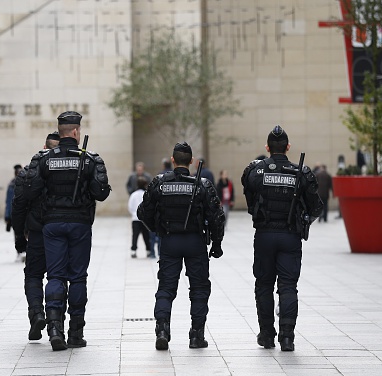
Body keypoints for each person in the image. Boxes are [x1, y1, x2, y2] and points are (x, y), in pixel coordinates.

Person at [17, 111, 110, 351]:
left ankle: (55, 328)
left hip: (52, 224)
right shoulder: (90, 159)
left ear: (60, 132)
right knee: (78, 277)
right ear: (77, 132)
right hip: (80, 224)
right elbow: (101, 192)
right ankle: (76, 333)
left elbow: (30, 191)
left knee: (56, 276)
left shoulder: (44, 159)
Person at [241, 125, 323, 352]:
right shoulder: (302, 173)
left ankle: (267, 335)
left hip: (265, 235)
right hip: (290, 236)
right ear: (288, 147)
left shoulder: (255, 171)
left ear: (267, 148)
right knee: (288, 287)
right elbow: (317, 207)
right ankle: (287, 337)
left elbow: (249, 199)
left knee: (264, 286)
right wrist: (303, 220)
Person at [138, 142, 225, 350]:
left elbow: (143, 212)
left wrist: (157, 230)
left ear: (173, 160)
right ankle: (196, 335)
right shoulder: (202, 184)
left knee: (166, 288)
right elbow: (217, 217)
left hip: (170, 241)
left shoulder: (159, 182)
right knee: (199, 289)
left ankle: (162, 330)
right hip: (195, 242)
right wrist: (217, 242)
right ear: (192, 162)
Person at [11, 132, 60, 341]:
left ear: (44, 146)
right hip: (58, 232)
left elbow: (18, 207)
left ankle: (36, 313)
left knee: (33, 275)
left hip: (37, 233)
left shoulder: (28, 172)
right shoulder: (67, 170)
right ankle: (55, 324)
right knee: (57, 278)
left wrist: (19, 237)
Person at [128, 176, 151, 258]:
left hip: (135, 218)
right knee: (146, 235)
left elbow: (130, 207)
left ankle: (133, 250)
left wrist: (134, 213)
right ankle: (148, 250)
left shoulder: (133, 195)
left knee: (135, 235)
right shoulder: (147, 195)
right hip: (145, 219)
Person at [5, 164, 23, 261]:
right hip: (14, 214)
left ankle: (23, 251)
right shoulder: (12, 185)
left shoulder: (26, 183)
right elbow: (8, 201)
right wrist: (7, 217)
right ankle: (19, 252)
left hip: (22, 213)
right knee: (17, 234)